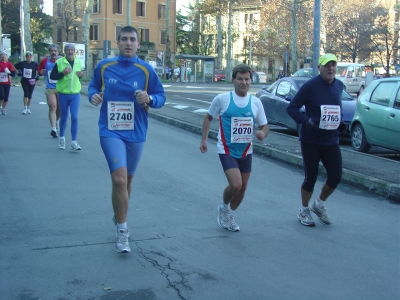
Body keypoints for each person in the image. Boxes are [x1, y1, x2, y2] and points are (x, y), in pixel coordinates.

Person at [88, 26, 166, 253]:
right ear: (118, 42)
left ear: (138, 44)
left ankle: (119, 215)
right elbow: (93, 86)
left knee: (128, 181)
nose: (128, 43)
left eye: (133, 39)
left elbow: (161, 97)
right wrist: (93, 95)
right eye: (124, 39)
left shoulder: (146, 70)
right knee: (119, 180)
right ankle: (123, 230)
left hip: (136, 131)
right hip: (110, 130)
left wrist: (149, 97)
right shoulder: (104, 66)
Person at [200, 64, 269, 232]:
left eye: (247, 79)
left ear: (251, 81)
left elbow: (265, 126)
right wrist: (204, 140)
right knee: (236, 185)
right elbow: (208, 118)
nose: (243, 82)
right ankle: (224, 207)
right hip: (227, 149)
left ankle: (229, 213)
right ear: (233, 81)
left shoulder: (256, 102)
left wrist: (262, 134)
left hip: (246, 150)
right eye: (240, 79)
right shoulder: (222, 99)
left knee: (243, 186)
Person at [286, 53, 347, 227]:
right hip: (311, 140)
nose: (331, 69)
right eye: (327, 65)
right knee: (311, 177)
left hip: (331, 140)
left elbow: (337, 109)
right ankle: (304, 209)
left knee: (336, 177)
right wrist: (306, 121)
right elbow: (292, 108)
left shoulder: (339, 85)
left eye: (333, 65)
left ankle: (319, 205)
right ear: (319, 68)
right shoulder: (310, 86)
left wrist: (341, 123)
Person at [50, 43, 83, 151]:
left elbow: (78, 77)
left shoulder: (78, 62)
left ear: (74, 52)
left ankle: (74, 141)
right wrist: (63, 73)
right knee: (64, 117)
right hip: (63, 94)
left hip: (75, 94)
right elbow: (52, 76)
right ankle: (62, 138)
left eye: (72, 50)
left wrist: (80, 75)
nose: (70, 52)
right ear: (65, 52)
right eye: (68, 50)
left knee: (75, 117)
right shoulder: (60, 62)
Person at [38, 44, 61, 138]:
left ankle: (57, 121)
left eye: (55, 51)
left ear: (58, 52)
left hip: (61, 88)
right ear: (49, 52)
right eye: (51, 51)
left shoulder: (62, 60)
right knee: (52, 107)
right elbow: (39, 69)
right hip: (50, 88)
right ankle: (54, 129)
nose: (53, 52)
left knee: (59, 108)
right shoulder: (45, 60)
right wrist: (41, 72)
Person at [0, 51, 16, 115]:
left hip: (7, 83)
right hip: (0, 82)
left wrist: (9, 72)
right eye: (2, 55)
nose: (3, 56)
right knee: (1, 95)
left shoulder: (9, 64)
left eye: (4, 55)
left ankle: (3, 109)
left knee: (6, 97)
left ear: (6, 56)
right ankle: (0, 107)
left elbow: (13, 74)